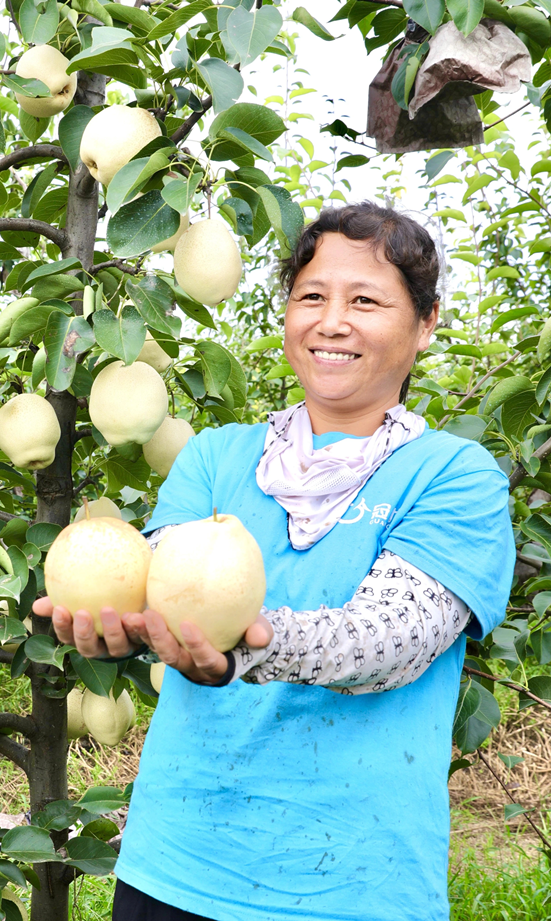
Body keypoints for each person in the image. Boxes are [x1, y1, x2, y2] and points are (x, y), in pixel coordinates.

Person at [33, 202, 515, 921]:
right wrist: (127, 622)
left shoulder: (453, 476)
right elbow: (161, 578)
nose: (332, 321)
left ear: (426, 322)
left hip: (350, 886)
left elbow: (390, 640)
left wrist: (240, 648)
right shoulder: (215, 456)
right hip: (175, 864)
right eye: (312, 296)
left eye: (367, 300)